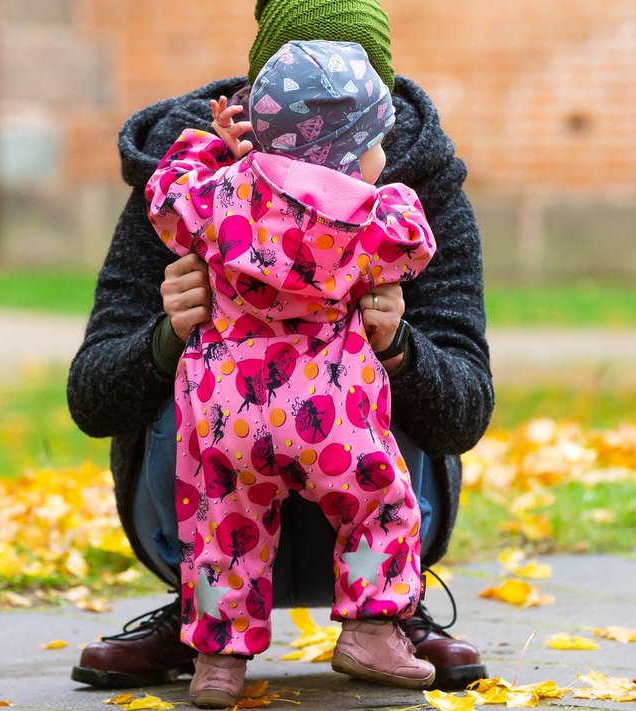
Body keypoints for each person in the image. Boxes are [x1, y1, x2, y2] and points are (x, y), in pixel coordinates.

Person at [67, 0, 494, 693]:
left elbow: (466, 413)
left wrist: (397, 343)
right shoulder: (203, 190)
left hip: (349, 485)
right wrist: (167, 333)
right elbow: (91, 397)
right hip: (204, 503)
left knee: (374, 400)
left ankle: (386, 614)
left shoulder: (414, 180)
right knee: (196, 387)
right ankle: (200, 622)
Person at [146, 40, 438, 706]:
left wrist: (213, 147)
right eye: (376, 144)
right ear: (346, 148)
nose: (381, 159)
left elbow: (165, 198)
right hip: (331, 411)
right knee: (379, 505)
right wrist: (382, 190)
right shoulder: (366, 215)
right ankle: (370, 626)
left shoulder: (218, 198)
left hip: (228, 408)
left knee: (222, 529)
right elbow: (413, 241)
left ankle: (217, 660)